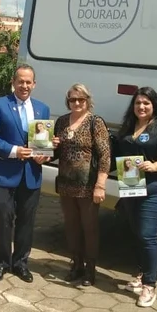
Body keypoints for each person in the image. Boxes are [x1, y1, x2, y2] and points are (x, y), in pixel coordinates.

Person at [113, 86, 157, 308]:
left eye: (146, 103)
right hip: (132, 183)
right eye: (138, 103)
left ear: (154, 105)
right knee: (136, 232)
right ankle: (140, 275)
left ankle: (149, 286)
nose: (141, 107)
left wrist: (155, 166)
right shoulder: (129, 126)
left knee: (147, 235)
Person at [0, 64, 51, 283]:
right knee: (3, 219)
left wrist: (44, 155)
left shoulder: (42, 109)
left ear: (34, 84)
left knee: (26, 221)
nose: (24, 85)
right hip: (5, 174)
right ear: (13, 82)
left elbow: (43, 145)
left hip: (31, 174)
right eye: (20, 81)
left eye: (28, 82)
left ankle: (21, 263)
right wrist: (13, 151)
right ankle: (2, 263)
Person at [51, 83, 110, 286]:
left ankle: (90, 270)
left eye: (81, 99)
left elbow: (105, 156)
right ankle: (76, 265)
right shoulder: (61, 121)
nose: (77, 103)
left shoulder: (95, 122)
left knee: (89, 228)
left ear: (87, 101)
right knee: (71, 227)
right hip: (66, 185)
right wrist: (50, 148)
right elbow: (56, 153)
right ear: (68, 101)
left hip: (87, 186)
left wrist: (100, 185)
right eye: (73, 99)